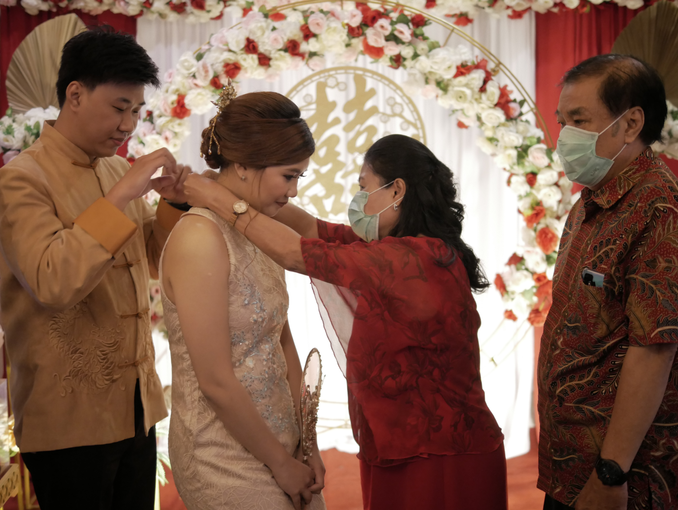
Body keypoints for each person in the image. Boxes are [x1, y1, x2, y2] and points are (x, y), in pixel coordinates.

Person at [183, 133, 508, 510]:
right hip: (400, 446)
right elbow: (308, 228)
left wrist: (218, 199)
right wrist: (227, 186)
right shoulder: (391, 248)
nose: (358, 200)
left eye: (363, 187)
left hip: (441, 456)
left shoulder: (415, 258)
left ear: (396, 190)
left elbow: (293, 252)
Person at [0, 27, 192, 509]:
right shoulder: (22, 179)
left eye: (136, 112)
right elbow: (53, 281)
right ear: (75, 94)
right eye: (119, 107)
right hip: (67, 417)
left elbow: (151, 256)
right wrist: (125, 192)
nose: (128, 125)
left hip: (135, 406)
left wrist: (174, 204)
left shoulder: (110, 172)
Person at [159, 88, 326, 510]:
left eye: (298, 178)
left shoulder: (255, 228)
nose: (292, 191)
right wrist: (281, 465)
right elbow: (214, 380)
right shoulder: (199, 237)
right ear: (244, 164)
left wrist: (308, 443)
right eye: (289, 175)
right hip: (219, 449)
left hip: (281, 436)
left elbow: (281, 340)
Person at [538, 54, 678, 510]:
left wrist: (610, 472)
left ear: (631, 123)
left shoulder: (658, 210)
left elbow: (653, 350)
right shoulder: (591, 201)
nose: (565, 138)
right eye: (563, 122)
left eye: (579, 120)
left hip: (620, 480)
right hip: (569, 461)